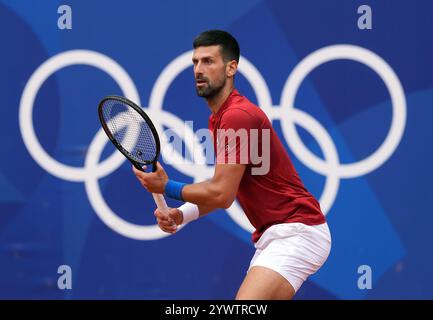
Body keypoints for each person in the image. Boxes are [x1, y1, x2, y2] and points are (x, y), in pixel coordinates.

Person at [132, 30, 331, 300]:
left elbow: (221, 194)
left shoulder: (237, 116)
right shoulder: (221, 119)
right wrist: (182, 214)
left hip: (296, 231)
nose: (199, 70)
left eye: (208, 61)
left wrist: (167, 187)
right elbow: (227, 190)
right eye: (195, 62)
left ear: (231, 68)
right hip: (280, 235)